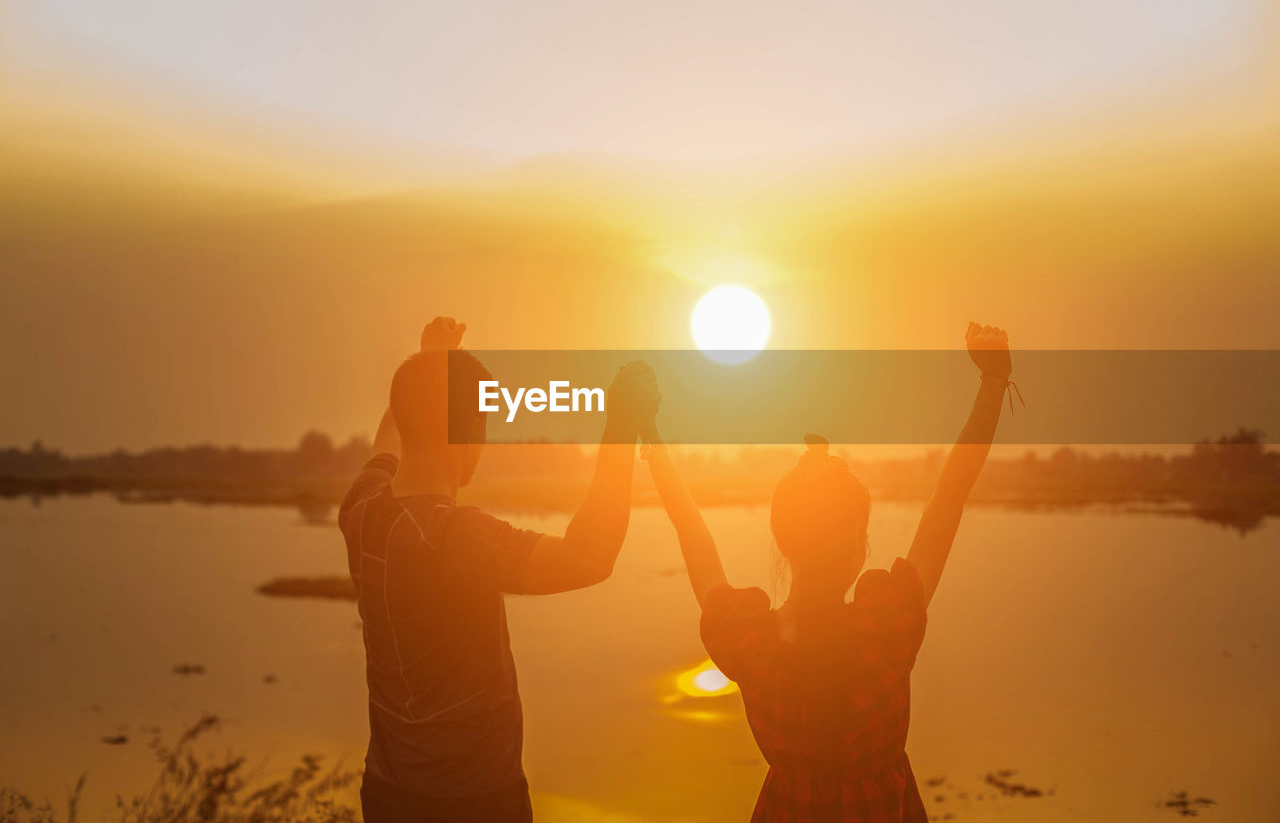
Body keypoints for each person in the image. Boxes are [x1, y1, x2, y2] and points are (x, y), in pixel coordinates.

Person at [641, 323, 1013, 822]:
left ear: (783, 542)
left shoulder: (751, 645)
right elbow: (950, 496)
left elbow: (690, 527)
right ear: (858, 543)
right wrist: (993, 382)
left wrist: (651, 435)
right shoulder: (887, 627)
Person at [339, 317, 658, 823]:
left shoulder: (360, 509)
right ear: (472, 431)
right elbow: (589, 556)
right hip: (476, 802)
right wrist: (620, 424)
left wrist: (432, 359)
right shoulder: (457, 536)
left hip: (386, 795)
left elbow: (390, 433)